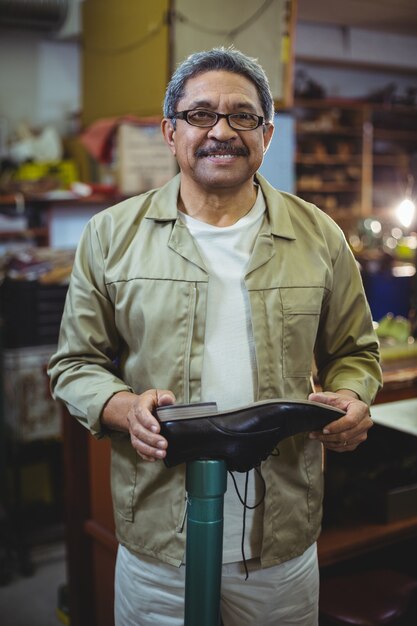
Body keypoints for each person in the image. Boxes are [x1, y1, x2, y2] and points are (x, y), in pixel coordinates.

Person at [48, 47, 382, 625]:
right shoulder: (111, 236)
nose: (221, 131)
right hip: (158, 546)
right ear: (170, 132)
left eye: (243, 117)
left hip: (280, 547)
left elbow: (354, 351)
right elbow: (75, 363)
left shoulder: (319, 235)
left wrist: (353, 397)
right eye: (201, 115)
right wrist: (123, 407)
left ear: (268, 134)